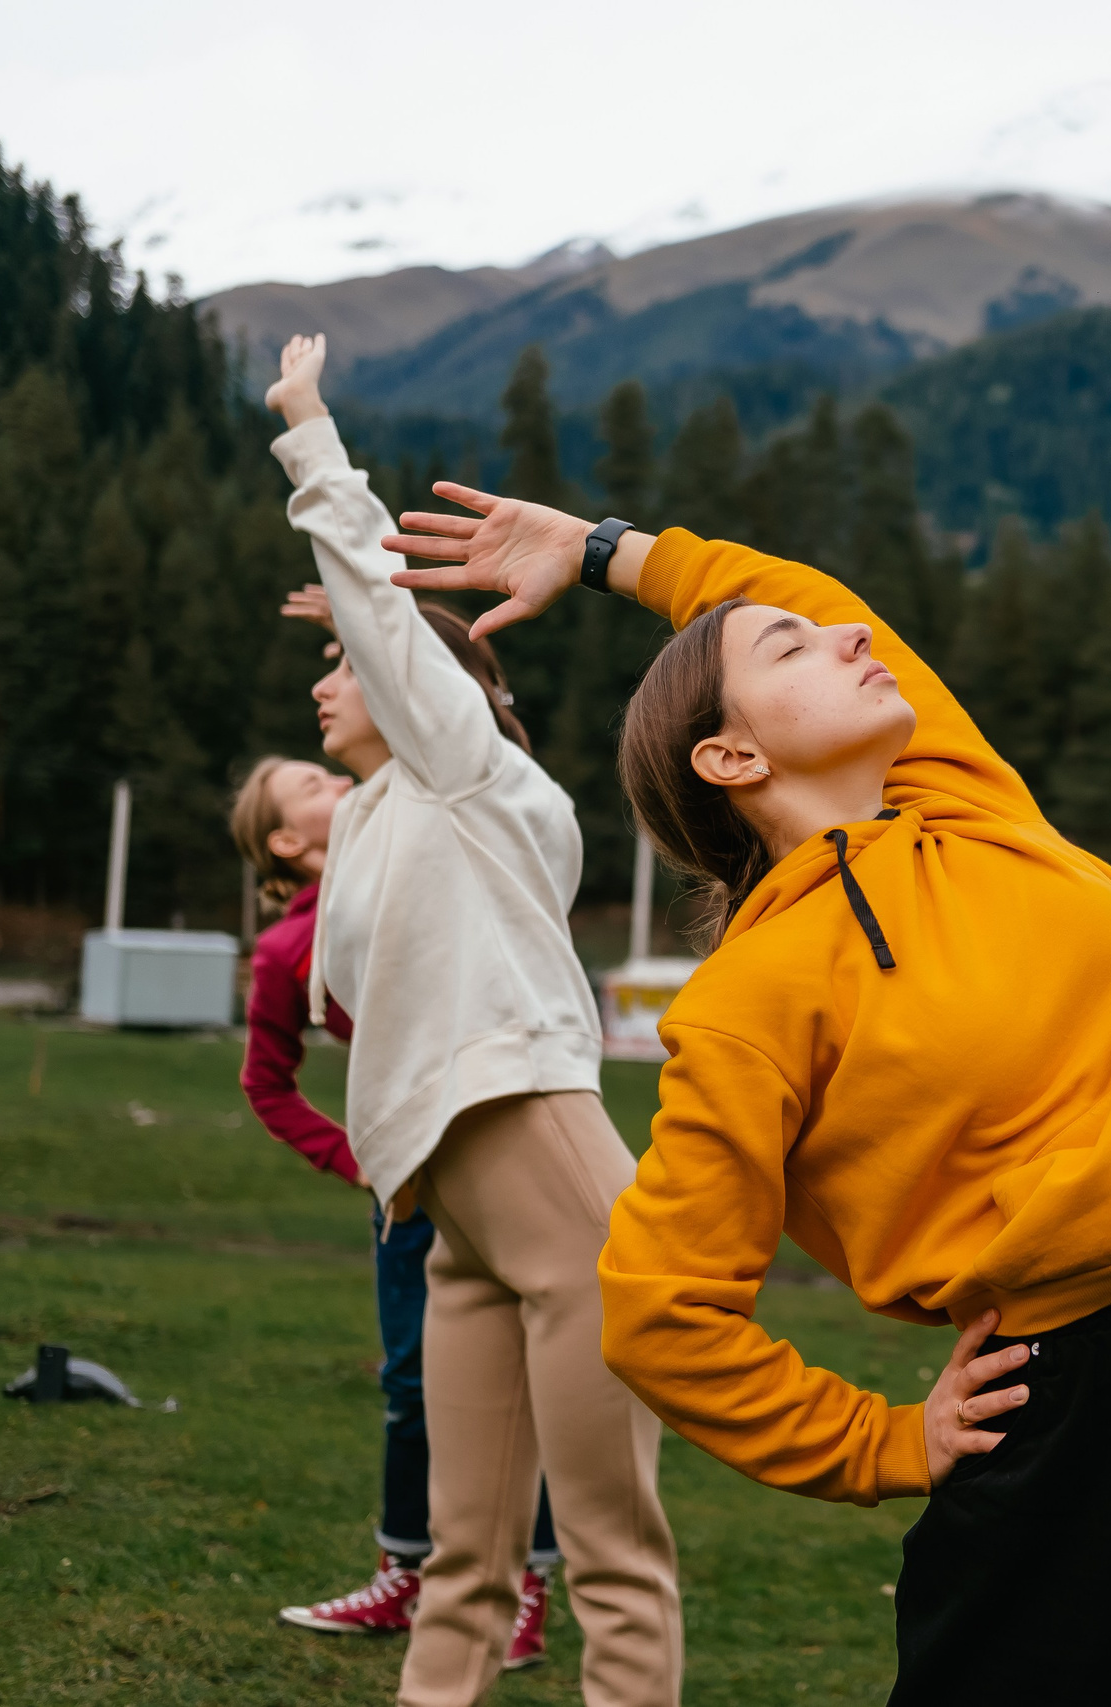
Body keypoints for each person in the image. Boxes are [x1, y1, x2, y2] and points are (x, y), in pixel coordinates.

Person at [377, 464, 1111, 1706]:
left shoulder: (972, 807)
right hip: (1066, 1392)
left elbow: (808, 593)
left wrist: (609, 549)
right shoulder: (748, 998)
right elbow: (659, 1312)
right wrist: (883, 1440)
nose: (845, 638)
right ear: (729, 755)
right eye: (794, 653)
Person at [262, 333, 681, 1707]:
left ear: (420, 689)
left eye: (351, 668)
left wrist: (311, 436)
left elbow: (386, 621)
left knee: (612, 1551)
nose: (327, 684)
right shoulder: (391, 816)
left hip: (539, 1158)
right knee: (465, 1564)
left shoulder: (470, 775)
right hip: (453, 1205)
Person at [227, 612, 561, 1669]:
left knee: (536, 1371)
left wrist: (396, 619)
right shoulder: (290, 945)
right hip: (407, 1172)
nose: (328, 781)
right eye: (307, 794)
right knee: (415, 1378)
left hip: (499, 1130)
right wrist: (362, 1159)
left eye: (322, 778)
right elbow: (266, 1085)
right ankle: (410, 1571)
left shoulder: (435, 816)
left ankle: (523, 1590)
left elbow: (458, 733)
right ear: (287, 843)